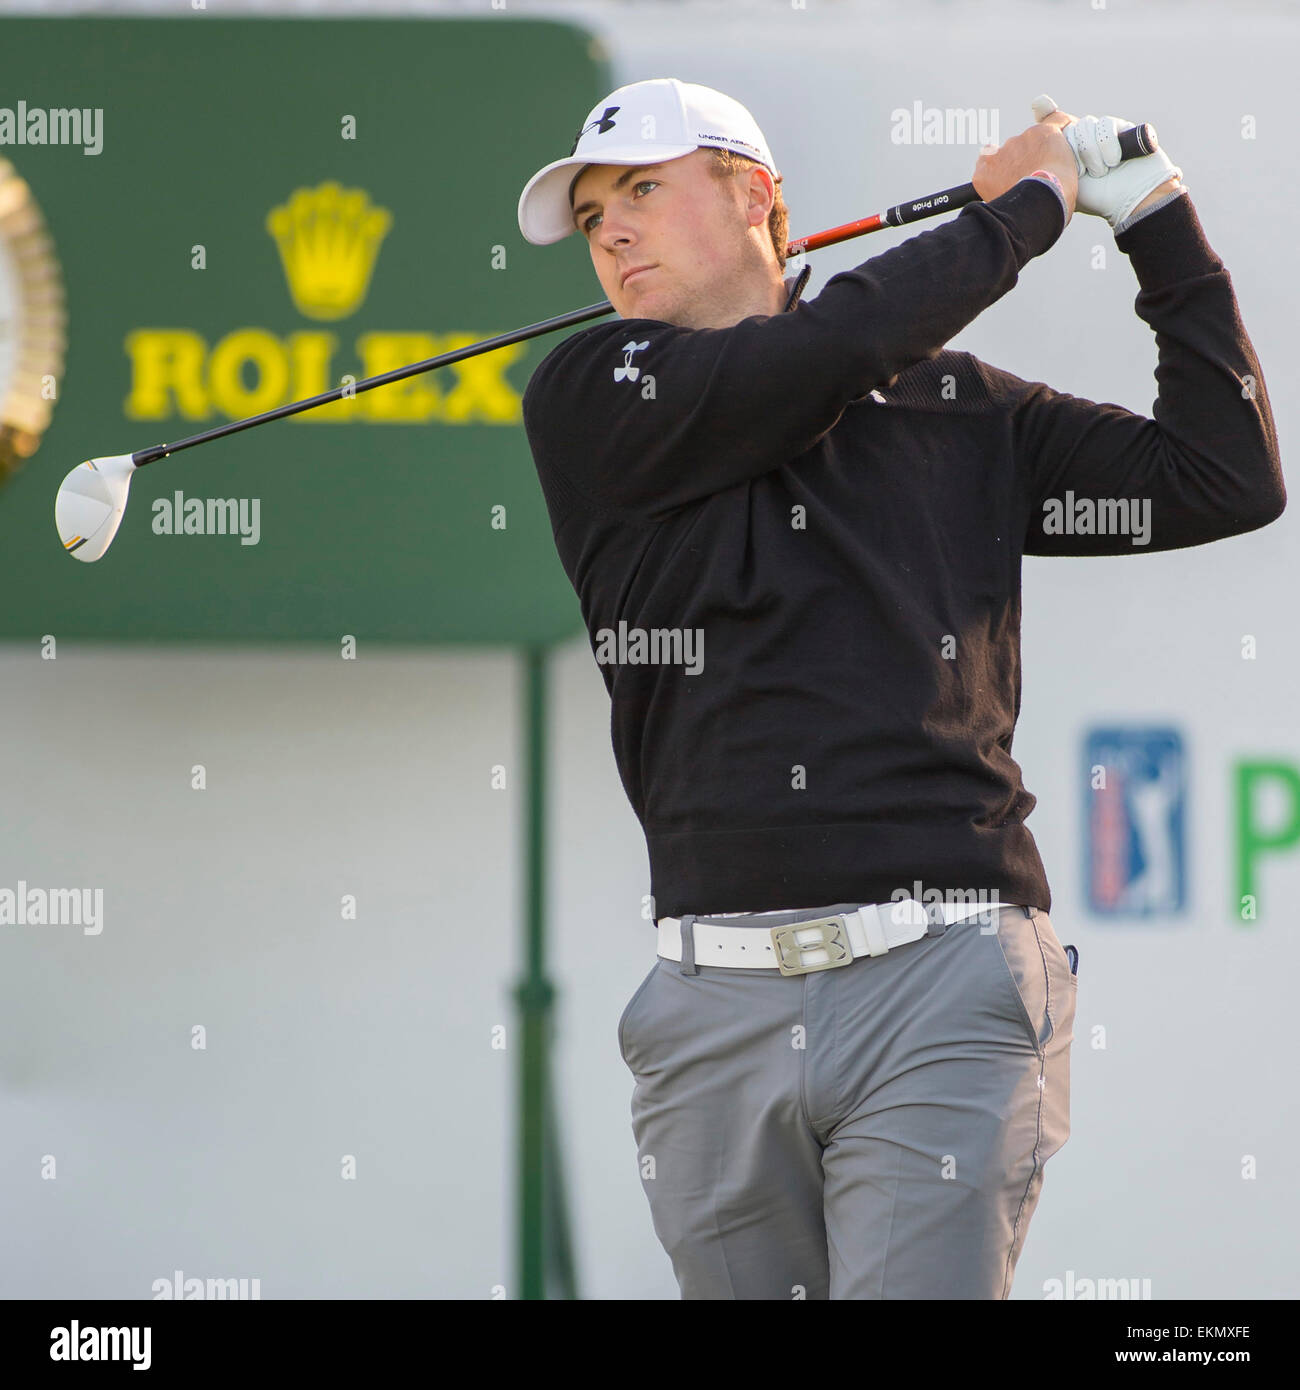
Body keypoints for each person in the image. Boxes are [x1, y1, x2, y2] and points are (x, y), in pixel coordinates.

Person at [516, 78, 1284, 1300]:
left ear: (755, 197)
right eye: (594, 210)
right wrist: (1021, 211)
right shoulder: (596, 393)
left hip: (945, 976)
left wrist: (1154, 223)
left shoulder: (955, 406)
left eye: (644, 192)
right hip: (712, 1002)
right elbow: (823, 350)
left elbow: (1220, 474)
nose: (610, 230)